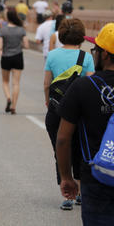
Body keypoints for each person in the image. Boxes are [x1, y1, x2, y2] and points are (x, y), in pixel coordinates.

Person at [56, 23, 114, 225]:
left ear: (105, 54)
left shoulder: (82, 87)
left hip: (95, 176)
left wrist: (66, 177)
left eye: (96, 49)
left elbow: (63, 139)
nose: (95, 53)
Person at [43, 18, 95, 210]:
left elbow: (47, 83)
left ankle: (66, 195)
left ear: (61, 34)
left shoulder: (53, 55)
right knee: (80, 149)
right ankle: (80, 191)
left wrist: (49, 101)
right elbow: (90, 85)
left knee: (60, 150)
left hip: (57, 109)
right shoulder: (86, 57)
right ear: (81, 36)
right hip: (80, 112)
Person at [0, 7, 29, 115]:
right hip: (18, 57)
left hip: (6, 56)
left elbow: (0, 46)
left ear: (7, 17)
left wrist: (2, 50)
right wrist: (18, 45)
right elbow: (26, 45)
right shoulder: (21, 29)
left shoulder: (3, 30)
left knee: (5, 81)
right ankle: (14, 106)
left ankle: (8, 98)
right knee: (16, 83)